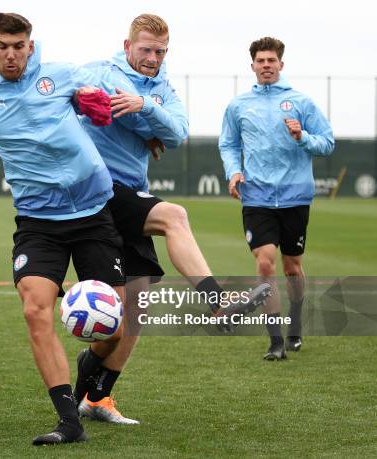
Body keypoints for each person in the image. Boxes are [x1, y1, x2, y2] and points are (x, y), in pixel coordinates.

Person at [75, 14, 272, 422]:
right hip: (97, 189)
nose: (153, 58)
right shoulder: (98, 71)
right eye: (146, 49)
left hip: (131, 190)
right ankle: (218, 304)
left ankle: (96, 397)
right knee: (174, 216)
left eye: (161, 51)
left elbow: (178, 132)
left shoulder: (161, 88)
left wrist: (144, 108)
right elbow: (67, 100)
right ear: (127, 46)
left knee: (137, 309)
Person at [0, 13, 126, 445]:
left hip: (93, 213)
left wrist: (95, 100)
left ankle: (87, 366)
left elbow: (98, 92)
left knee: (116, 327)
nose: (12, 54)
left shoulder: (60, 75)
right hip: (38, 222)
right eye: (3, 46)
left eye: (19, 45)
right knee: (34, 307)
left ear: (31, 45)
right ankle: (69, 421)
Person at [219, 37, 334, 360]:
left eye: (272, 60)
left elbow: (326, 143)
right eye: (261, 60)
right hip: (256, 195)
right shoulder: (238, 105)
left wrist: (302, 137)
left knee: (292, 268)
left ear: (281, 65)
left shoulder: (301, 102)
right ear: (252, 65)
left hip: (296, 195)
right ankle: (276, 341)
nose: (266, 65)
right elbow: (228, 144)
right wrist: (233, 171)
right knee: (265, 263)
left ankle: (295, 324)